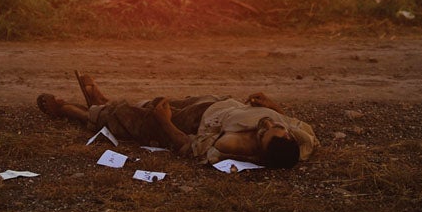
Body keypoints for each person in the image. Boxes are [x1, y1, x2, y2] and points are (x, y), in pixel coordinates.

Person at [36, 71, 318, 168]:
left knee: (139, 119)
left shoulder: (237, 146)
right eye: (275, 127)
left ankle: (69, 110)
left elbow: (188, 148)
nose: (268, 125)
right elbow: (289, 123)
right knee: (150, 103)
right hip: (216, 102)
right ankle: (103, 101)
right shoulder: (300, 141)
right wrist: (271, 107)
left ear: (260, 148)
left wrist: (165, 123)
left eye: (265, 132)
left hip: (194, 122)